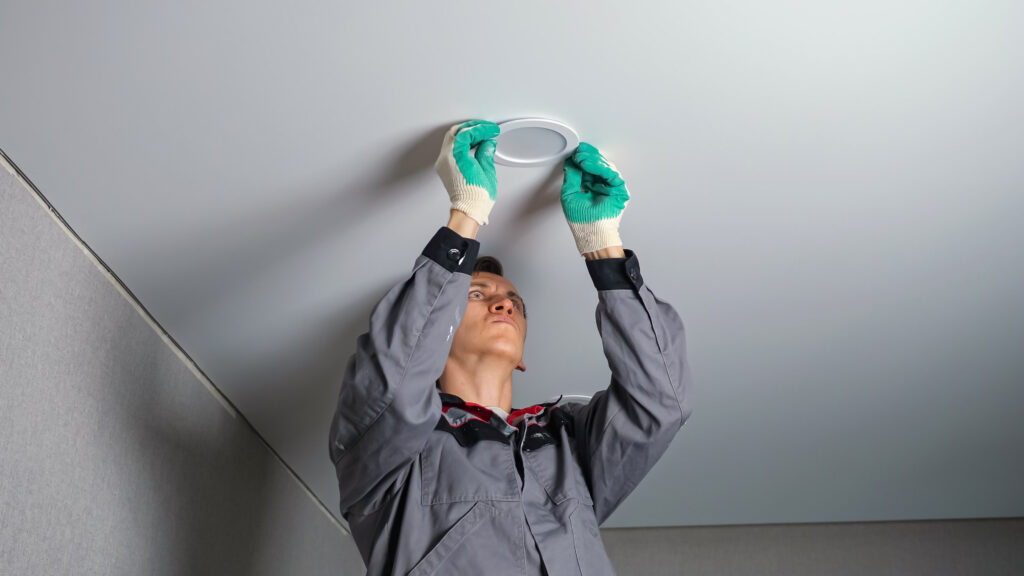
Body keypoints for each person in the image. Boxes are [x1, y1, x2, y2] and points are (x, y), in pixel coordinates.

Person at [328, 119, 694, 575]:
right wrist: (466, 213)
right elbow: (395, 388)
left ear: (522, 357)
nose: (503, 302)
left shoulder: (567, 444)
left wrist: (603, 246)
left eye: (514, 302)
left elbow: (660, 403)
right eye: (477, 295)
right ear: (441, 329)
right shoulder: (393, 450)